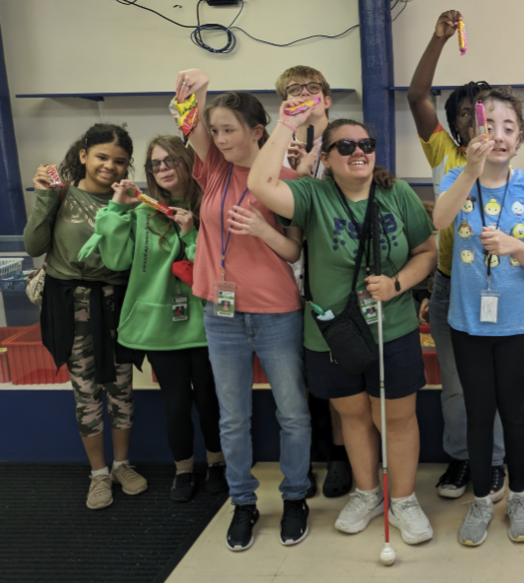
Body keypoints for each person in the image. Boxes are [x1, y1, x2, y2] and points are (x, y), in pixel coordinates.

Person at [248, 109, 438, 546]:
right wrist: (285, 123)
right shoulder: (312, 195)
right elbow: (259, 184)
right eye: (346, 146)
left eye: (366, 145)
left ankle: (404, 499)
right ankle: (367, 492)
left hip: (392, 326)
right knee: (352, 415)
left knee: (398, 417)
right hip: (332, 332)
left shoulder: (399, 194)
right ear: (327, 157)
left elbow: (426, 252)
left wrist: (397, 284)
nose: (358, 153)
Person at [173, 68, 312, 551]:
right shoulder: (212, 168)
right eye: (215, 130)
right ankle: (243, 502)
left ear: (258, 130)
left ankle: (295, 496)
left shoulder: (289, 181)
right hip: (221, 314)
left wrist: (262, 229)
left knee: (292, 412)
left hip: (276, 313)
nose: (219, 138)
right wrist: (198, 90)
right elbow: (191, 124)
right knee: (232, 417)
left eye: (230, 129)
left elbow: (294, 253)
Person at [79, 135, 226, 502]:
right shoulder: (142, 212)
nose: (163, 169)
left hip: (208, 324)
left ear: (189, 163)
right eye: (156, 164)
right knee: (175, 404)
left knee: (210, 401)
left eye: (171, 161)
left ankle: (217, 463)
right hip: (160, 327)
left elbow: (218, 268)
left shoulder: (208, 207)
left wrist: (190, 232)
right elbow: (116, 261)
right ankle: (183, 470)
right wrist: (116, 206)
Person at [433, 87, 524, 545]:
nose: (498, 135)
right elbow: (441, 221)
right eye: (489, 126)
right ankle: (481, 499)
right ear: (470, 133)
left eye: (509, 127)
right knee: (478, 416)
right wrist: (471, 172)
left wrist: (514, 246)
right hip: (467, 323)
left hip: (518, 324)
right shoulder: (456, 178)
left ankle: (518, 495)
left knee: (515, 415)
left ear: (519, 137)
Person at [408, 9, 508, 502]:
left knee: (490, 382)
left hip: (499, 285)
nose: (478, 117)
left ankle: (494, 460)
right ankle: (461, 459)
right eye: (467, 112)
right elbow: (416, 96)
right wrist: (437, 39)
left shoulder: (509, 157)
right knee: (453, 384)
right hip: (450, 283)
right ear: (453, 126)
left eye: (486, 109)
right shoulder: (446, 154)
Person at [23, 123, 147, 510]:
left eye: (120, 161)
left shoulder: (130, 200)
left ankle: (122, 464)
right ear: (83, 156)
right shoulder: (61, 194)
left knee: (122, 387)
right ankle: (98, 474)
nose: (110, 166)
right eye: (102, 157)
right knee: (86, 391)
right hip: (71, 302)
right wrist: (44, 197)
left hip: (116, 303)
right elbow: (33, 245)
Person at [275, 65, 353, 500]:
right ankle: (304, 459)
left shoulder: (344, 141)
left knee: (338, 367)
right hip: (288, 272)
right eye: (293, 90)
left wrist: (307, 173)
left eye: (312, 88)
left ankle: (341, 456)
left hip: (333, 271)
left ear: (325, 95)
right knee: (297, 376)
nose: (304, 95)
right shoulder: (278, 144)